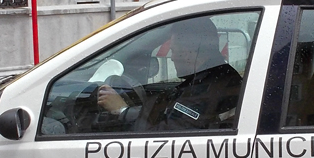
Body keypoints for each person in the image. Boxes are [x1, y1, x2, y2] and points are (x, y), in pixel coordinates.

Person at [97, 17, 243, 131]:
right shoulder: (216, 76)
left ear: (193, 50)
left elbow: (165, 135)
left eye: (174, 51)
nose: (172, 58)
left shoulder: (205, 88)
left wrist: (122, 110)